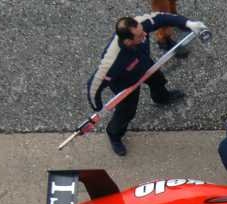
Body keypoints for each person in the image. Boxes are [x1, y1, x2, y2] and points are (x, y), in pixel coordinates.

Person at [87, 13, 207, 156]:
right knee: (127, 112)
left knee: (158, 81)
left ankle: (161, 98)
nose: (145, 33)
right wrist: (99, 108)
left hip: (145, 65)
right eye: (139, 35)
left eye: (142, 30)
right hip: (126, 84)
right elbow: (93, 87)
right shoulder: (111, 62)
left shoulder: (140, 25)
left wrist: (187, 23)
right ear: (127, 41)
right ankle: (114, 134)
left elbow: (163, 18)